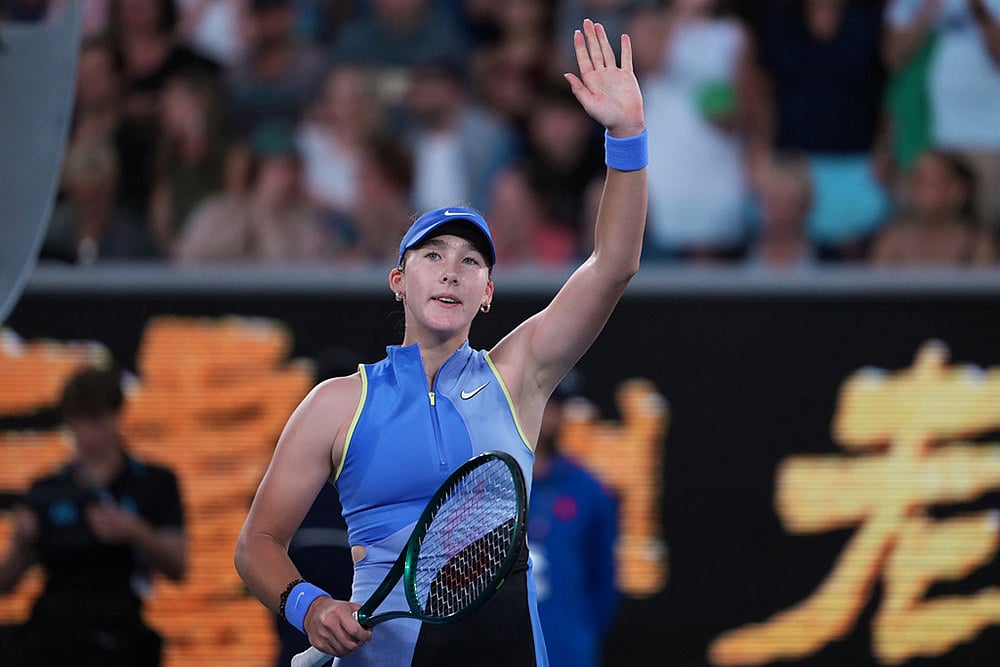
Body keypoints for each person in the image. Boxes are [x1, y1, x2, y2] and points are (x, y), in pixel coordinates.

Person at [234, 18, 646, 666]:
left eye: (470, 260)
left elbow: (614, 264)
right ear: (398, 281)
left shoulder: (520, 375)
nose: (452, 269)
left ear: (487, 293)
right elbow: (257, 543)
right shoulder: (337, 402)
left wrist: (626, 136)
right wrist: (308, 607)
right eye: (433, 255)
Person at [0, 365, 188, 666]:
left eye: (96, 419)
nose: (87, 433)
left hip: (117, 625)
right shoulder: (47, 490)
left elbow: (178, 566)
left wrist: (135, 531)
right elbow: (6, 583)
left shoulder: (154, 482)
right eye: (78, 420)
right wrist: (21, 542)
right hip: (52, 625)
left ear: (116, 415)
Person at [527, 372, 619, 667]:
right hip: (500, 648)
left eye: (558, 404)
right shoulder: (489, 482)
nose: (550, 413)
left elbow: (604, 578)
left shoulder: (587, 489)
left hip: (567, 650)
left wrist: (580, 634)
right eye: (543, 399)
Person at [869, 148, 997, 266]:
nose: (921, 191)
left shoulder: (979, 245)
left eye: (932, 182)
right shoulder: (892, 242)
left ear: (957, 190)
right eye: (917, 181)